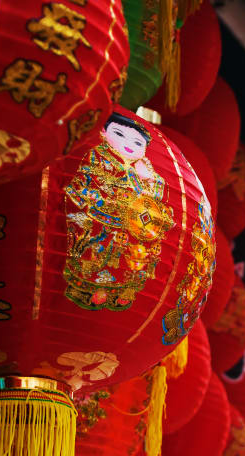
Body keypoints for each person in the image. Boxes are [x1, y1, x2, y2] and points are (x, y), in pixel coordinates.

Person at [64, 112, 173, 310]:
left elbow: (151, 199)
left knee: (126, 258)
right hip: (100, 215)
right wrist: (98, 197)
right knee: (94, 250)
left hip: (127, 225)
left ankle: (119, 290)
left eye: (138, 143)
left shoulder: (142, 170)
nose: (129, 144)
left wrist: (150, 179)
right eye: (119, 134)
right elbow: (85, 181)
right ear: (104, 133)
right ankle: (84, 287)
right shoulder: (98, 155)